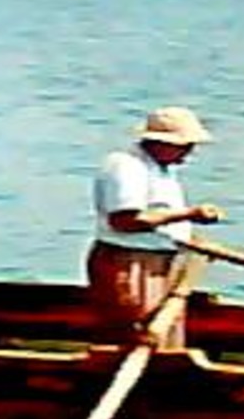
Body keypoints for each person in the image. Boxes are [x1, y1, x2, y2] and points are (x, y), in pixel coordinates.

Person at [87, 106, 224, 348]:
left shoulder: (162, 169)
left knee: (164, 334)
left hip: (161, 260)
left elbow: (161, 215)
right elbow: (125, 221)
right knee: (139, 334)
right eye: (185, 146)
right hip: (130, 262)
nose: (189, 152)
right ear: (160, 143)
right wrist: (190, 213)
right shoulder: (127, 166)